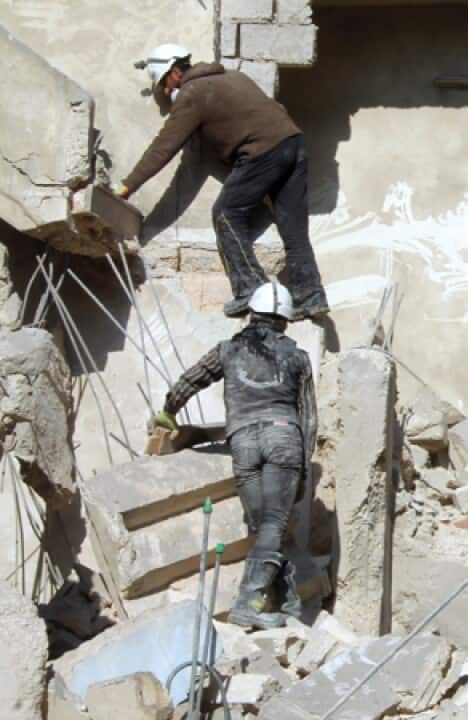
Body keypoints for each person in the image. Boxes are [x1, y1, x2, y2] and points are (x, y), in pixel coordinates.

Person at [116, 44, 328, 321]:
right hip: (294, 143)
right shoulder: (233, 76)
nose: (166, 92)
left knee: (226, 214)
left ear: (176, 71)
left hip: (263, 151)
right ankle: (310, 296)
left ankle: (251, 289)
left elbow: (162, 148)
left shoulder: (193, 94)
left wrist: (126, 187)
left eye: (164, 84)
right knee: (293, 228)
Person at [152, 281, 317, 629]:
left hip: (242, 441)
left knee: (263, 527)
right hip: (283, 438)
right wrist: (303, 467)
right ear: (286, 320)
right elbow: (309, 419)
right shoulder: (298, 358)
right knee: (272, 525)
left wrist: (169, 411)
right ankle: (248, 603)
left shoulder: (228, 350)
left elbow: (190, 380)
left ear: (250, 313)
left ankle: (288, 603)